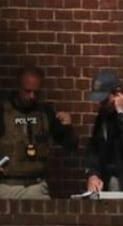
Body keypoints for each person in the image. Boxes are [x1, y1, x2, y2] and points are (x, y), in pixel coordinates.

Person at [0, 66, 77, 199]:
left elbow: (71, 145)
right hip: (7, 185)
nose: (32, 96)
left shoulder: (45, 113)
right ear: (18, 87)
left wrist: (68, 127)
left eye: (36, 92)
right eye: (27, 91)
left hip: (36, 185)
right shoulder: (3, 111)